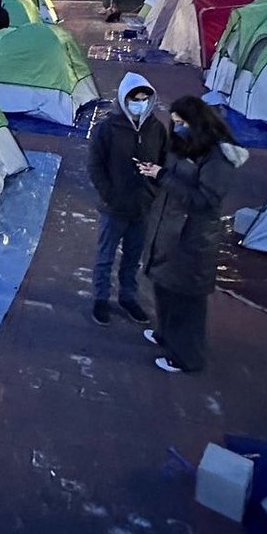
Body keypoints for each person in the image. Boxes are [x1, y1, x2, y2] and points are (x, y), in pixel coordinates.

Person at [137, 95, 248, 373]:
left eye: (181, 122)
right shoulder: (184, 145)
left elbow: (205, 200)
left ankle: (187, 357)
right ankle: (166, 335)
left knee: (186, 300)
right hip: (169, 229)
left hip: (191, 238)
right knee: (164, 286)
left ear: (197, 122)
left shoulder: (217, 156)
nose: (177, 127)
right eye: (174, 122)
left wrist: (163, 177)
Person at [86, 72, 168, 328]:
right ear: (124, 99)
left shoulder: (157, 129)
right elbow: (95, 165)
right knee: (105, 256)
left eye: (145, 99)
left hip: (142, 206)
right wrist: (109, 194)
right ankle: (101, 298)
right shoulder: (107, 129)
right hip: (114, 207)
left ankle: (128, 297)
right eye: (136, 99)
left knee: (133, 257)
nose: (140, 103)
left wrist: (153, 190)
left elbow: (164, 162)